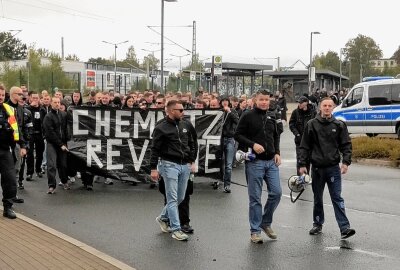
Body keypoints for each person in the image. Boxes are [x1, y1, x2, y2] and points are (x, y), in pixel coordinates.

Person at [299, 97, 356, 239]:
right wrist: (302, 164)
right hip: (317, 168)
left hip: (333, 168)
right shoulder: (311, 124)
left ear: (333, 107)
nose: (327, 108)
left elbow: (346, 145)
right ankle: (317, 224)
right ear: (320, 107)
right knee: (318, 197)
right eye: (324, 105)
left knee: (337, 197)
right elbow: (305, 146)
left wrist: (346, 162)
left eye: (330, 105)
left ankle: (344, 228)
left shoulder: (339, 125)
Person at [234, 90, 282, 244]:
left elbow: (276, 135)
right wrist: (252, 145)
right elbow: (237, 135)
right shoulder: (247, 115)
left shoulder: (272, 116)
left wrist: (278, 152)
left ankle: (265, 222)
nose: (264, 102)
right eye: (261, 99)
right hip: (255, 162)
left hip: (271, 162)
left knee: (276, 193)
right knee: (255, 198)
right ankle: (255, 231)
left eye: (267, 100)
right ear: (255, 100)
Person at [150, 100, 198, 241]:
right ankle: (176, 229)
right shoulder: (161, 128)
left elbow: (193, 143)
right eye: (181, 110)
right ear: (171, 111)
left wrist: (192, 160)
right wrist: (153, 168)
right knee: (172, 198)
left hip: (185, 165)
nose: (183, 112)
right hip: (169, 164)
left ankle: (163, 218)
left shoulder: (186, 124)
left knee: (181, 197)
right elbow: (155, 149)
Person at [0, 85, 26, 218]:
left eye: (2, 95)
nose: (0, 97)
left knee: (10, 179)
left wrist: (22, 145)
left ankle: (8, 207)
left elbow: (16, 129)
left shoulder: (9, 110)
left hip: (5, 150)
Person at [43, 96, 70, 194]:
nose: (57, 104)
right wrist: (60, 144)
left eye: (58, 102)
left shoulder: (64, 114)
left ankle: (64, 181)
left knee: (63, 165)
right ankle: (51, 186)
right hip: (52, 144)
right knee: (51, 165)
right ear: (51, 103)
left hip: (63, 143)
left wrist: (66, 142)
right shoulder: (48, 117)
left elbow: (66, 129)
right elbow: (50, 133)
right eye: (55, 102)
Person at [289, 96, 317, 175]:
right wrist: (296, 134)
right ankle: (300, 178)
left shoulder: (313, 112)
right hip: (300, 141)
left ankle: (307, 176)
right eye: (299, 102)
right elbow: (291, 124)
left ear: (306, 103)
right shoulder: (295, 112)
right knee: (300, 159)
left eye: (301, 102)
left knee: (309, 159)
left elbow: (316, 125)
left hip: (310, 141)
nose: (299, 104)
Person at [220, 97, 239, 193]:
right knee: (220, 162)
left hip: (229, 139)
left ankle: (227, 185)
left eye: (226, 101)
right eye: (223, 101)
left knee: (228, 164)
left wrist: (229, 112)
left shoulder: (233, 111)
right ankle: (218, 180)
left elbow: (237, 121)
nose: (224, 103)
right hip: (219, 139)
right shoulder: (218, 111)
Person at [26, 91, 45, 181]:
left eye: (37, 98)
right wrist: (30, 107)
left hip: (39, 133)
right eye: (33, 98)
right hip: (30, 134)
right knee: (29, 153)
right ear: (30, 98)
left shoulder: (42, 109)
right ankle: (30, 172)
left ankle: (38, 169)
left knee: (40, 153)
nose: (35, 100)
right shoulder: (27, 109)